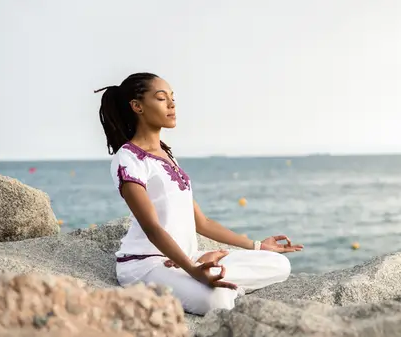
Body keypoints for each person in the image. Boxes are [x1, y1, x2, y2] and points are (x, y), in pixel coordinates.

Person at [95, 72, 303, 315]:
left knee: (279, 264)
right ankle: (205, 278)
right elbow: (152, 227)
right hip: (146, 264)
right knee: (217, 301)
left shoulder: (166, 154)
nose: (172, 104)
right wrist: (193, 270)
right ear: (137, 106)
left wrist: (257, 246)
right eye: (162, 98)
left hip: (189, 258)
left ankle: (205, 273)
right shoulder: (128, 158)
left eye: (173, 98)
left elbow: (201, 222)